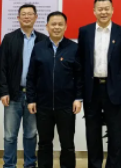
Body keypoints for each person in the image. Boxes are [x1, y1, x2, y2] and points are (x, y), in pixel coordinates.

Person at [77, 0, 121, 168]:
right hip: (92, 88)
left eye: (107, 8)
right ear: (94, 11)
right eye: (100, 9)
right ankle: (95, 165)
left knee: (115, 132)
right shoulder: (85, 31)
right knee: (92, 131)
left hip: (114, 88)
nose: (103, 12)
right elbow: (81, 62)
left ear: (112, 10)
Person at [27, 11, 83, 168]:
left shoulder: (74, 48)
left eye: (60, 24)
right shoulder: (38, 48)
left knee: (67, 143)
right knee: (44, 143)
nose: (56, 27)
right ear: (47, 26)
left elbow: (79, 76)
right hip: (43, 105)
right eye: (53, 24)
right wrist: (31, 99)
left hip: (66, 105)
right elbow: (31, 76)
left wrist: (78, 98)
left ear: (65, 27)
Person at [0, 4, 48, 168]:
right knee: (9, 135)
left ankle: (30, 164)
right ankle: (9, 165)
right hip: (13, 94)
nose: (27, 17)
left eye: (30, 14)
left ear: (36, 17)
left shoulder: (43, 40)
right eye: (23, 14)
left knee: (31, 133)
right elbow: (2, 67)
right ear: (18, 17)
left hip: (34, 96)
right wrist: (4, 91)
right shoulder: (9, 38)